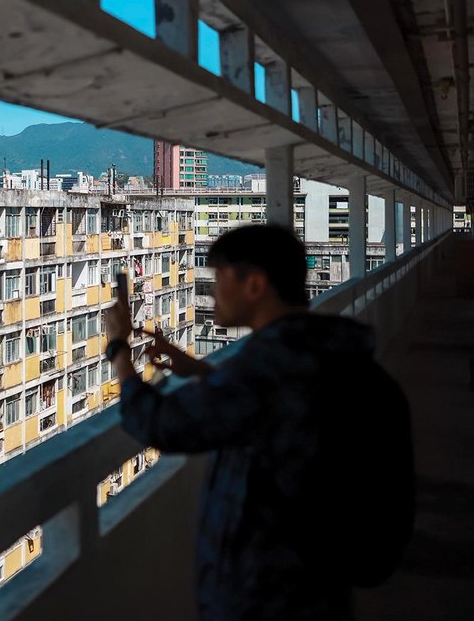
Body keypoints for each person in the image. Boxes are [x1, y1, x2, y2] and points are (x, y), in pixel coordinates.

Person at [104, 224, 368, 620]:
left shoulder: (262, 368)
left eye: (220, 279)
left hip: (266, 591)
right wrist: (195, 368)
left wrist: (118, 347)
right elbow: (271, 404)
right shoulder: (318, 350)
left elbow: (159, 423)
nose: (213, 293)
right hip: (318, 578)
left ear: (255, 284)